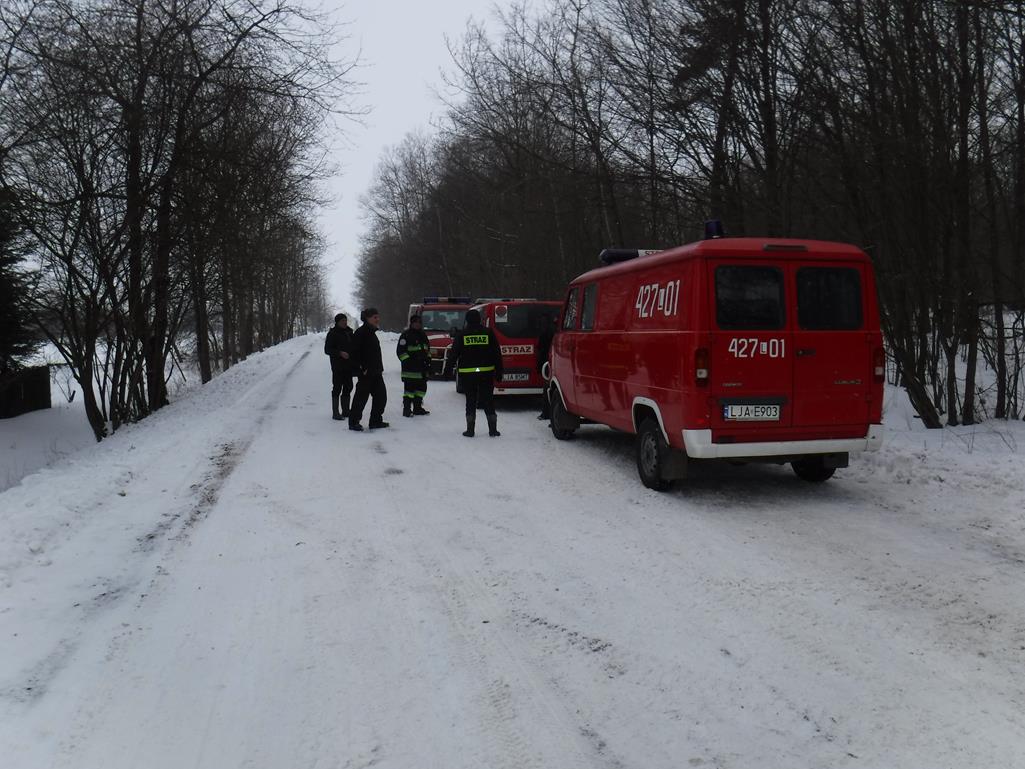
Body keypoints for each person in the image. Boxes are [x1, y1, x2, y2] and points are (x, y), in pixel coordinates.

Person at [448, 308, 503, 437]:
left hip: (468, 375)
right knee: (488, 401)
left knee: (470, 401)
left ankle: (470, 430)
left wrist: (448, 369)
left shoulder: (462, 334)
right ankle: (493, 430)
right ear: (479, 319)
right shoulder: (488, 333)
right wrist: (499, 371)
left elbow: (454, 353)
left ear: (467, 320)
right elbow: (496, 353)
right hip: (486, 373)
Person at [348, 307, 389, 431]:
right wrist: (361, 368)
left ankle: (375, 421)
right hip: (366, 373)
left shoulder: (371, 333)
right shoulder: (361, 333)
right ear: (367, 318)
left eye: (378, 316)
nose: (377, 319)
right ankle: (353, 422)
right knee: (361, 398)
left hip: (376, 372)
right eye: (374, 317)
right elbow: (354, 353)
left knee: (381, 397)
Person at [396, 314, 431, 417]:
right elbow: (400, 352)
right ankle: (407, 409)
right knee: (409, 391)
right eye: (415, 322)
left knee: (421, 390)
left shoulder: (423, 335)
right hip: (410, 370)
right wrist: (408, 362)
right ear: (411, 323)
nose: (417, 324)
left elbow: (427, 350)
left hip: (422, 369)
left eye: (419, 322)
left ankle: (417, 408)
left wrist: (429, 361)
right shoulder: (405, 335)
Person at [324, 313, 355, 421]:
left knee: (349, 386)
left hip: (348, 365)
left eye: (345, 320)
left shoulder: (350, 332)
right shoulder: (332, 333)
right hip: (337, 366)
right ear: (337, 322)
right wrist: (340, 353)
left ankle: (346, 411)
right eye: (342, 321)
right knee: (337, 387)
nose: (345, 322)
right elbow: (327, 349)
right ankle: (336, 412)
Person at [535, 315, 557, 420]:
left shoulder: (545, 332)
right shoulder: (555, 330)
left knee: (547, 389)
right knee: (551, 389)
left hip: (547, 362)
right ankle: (549, 413)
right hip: (553, 361)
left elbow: (539, 346)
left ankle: (546, 413)